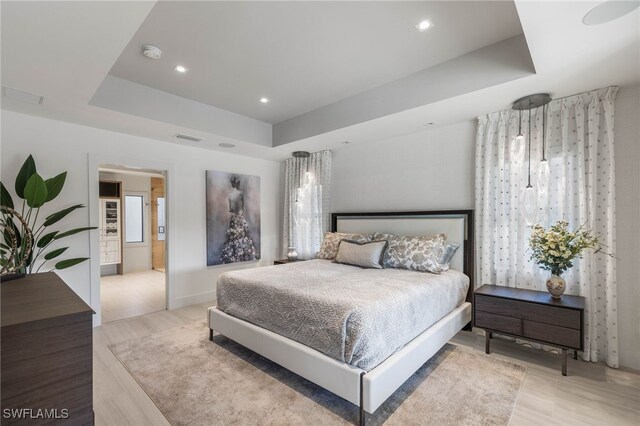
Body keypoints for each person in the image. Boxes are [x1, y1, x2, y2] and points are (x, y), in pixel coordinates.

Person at [220, 175, 258, 263]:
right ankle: (242, 255)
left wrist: (235, 213)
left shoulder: (230, 195)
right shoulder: (241, 194)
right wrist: (240, 213)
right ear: (237, 184)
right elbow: (242, 207)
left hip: (233, 217)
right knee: (242, 236)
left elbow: (230, 209)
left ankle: (235, 256)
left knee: (233, 237)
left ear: (232, 184)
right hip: (239, 217)